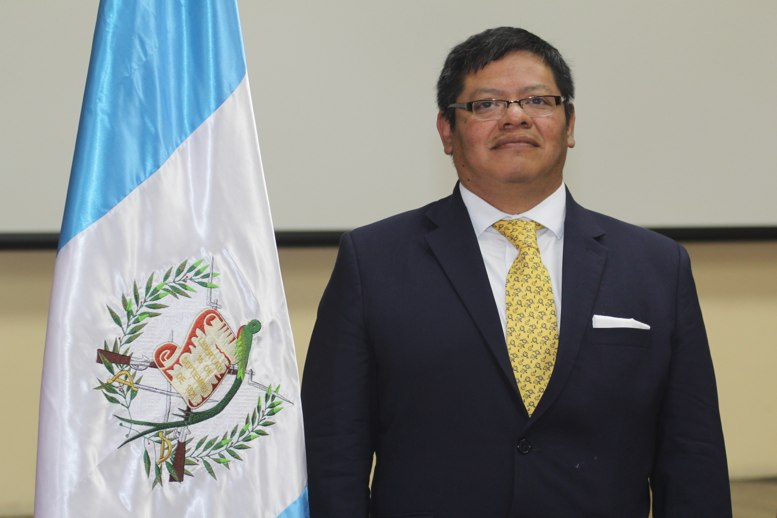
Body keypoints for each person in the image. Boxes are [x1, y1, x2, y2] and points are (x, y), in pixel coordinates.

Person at [301, 26, 731, 517]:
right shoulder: (372, 261)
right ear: (446, 130)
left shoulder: (657, 266)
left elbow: (693, 458)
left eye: (538, 100)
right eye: (487, 105)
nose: (516, 117)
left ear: (569, 125)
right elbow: (334, 453)